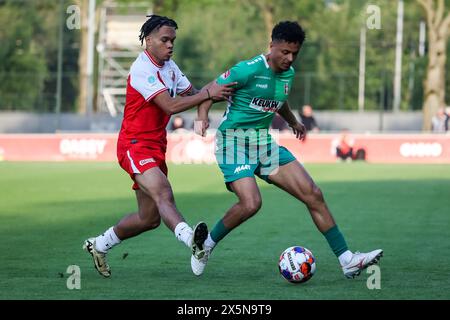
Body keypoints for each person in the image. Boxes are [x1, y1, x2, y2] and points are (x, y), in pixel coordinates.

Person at [194, 21, 382, 279]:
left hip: (262, 143)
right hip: (233, 142)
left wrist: (293, 121)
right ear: (271, 46)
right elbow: (207, 93)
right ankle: (205, 246)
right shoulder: (246, 70)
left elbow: (279, 100)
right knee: (251, 203)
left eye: (295, 53)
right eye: (285, 52)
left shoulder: (288, 74)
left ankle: (347, 260)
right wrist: (201, 117)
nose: (290, 58)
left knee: (313, 194)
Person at [83, 15, 235, 278]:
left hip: (156, 147)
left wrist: (205, 109)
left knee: (148, 218)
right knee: (163, 191)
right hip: (133, 145)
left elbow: (194, 93)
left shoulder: (171, 67)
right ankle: (192, 242)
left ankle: (99, 244)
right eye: (165, 40)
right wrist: (208, 94)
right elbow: (171, 106)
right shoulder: (142, 69)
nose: (170, 45)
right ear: (148, 40)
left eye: (173, 40)